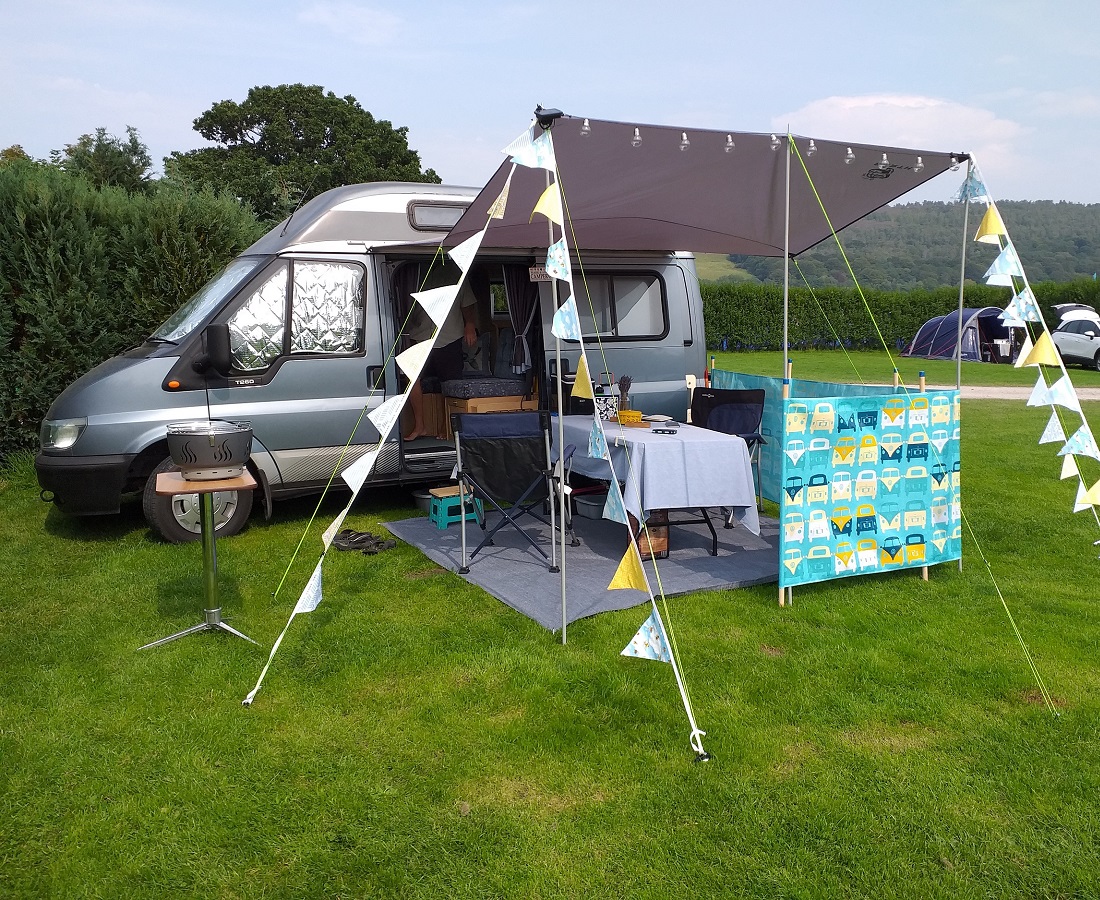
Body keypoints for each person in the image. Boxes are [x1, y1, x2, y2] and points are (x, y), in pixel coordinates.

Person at [403, 277, 478, 441]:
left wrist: (470, 324)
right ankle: (420, 427)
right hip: (420, 335)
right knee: (412, 378)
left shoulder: (458, 272)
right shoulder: (415, 273)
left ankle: (447, 428)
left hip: (449, 336)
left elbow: (467, 302)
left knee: (451, 383)